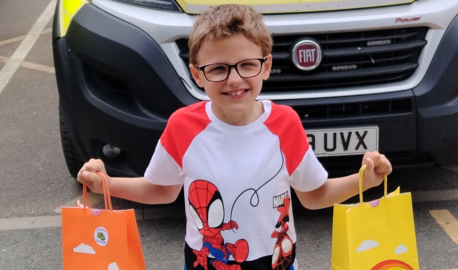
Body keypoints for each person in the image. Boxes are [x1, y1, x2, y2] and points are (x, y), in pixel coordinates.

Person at [77, 4, 392, 270]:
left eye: (246, 65)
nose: (235, 79)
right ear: (197, 74)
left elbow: (312, 195)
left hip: (276, 260)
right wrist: (107, 183)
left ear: (266, 66)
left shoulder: (285, 124)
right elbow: (161, 190)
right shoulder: (183, 126)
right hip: (208, 261)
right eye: (218, 69)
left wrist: (363, 180)